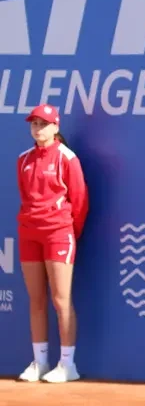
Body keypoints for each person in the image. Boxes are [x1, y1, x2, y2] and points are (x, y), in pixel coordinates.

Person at [16, 104, 88, 383]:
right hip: (28, 233)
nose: (38, 128)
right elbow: (26, 196)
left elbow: (79, 201)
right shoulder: (23, 160)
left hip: (58, 233)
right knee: (36, 300)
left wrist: (68, 230)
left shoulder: (67, 158)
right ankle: (40, 362)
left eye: (43, 124)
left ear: (56, 127)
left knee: (61, 299)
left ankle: (68, 364)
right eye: (34, 123)